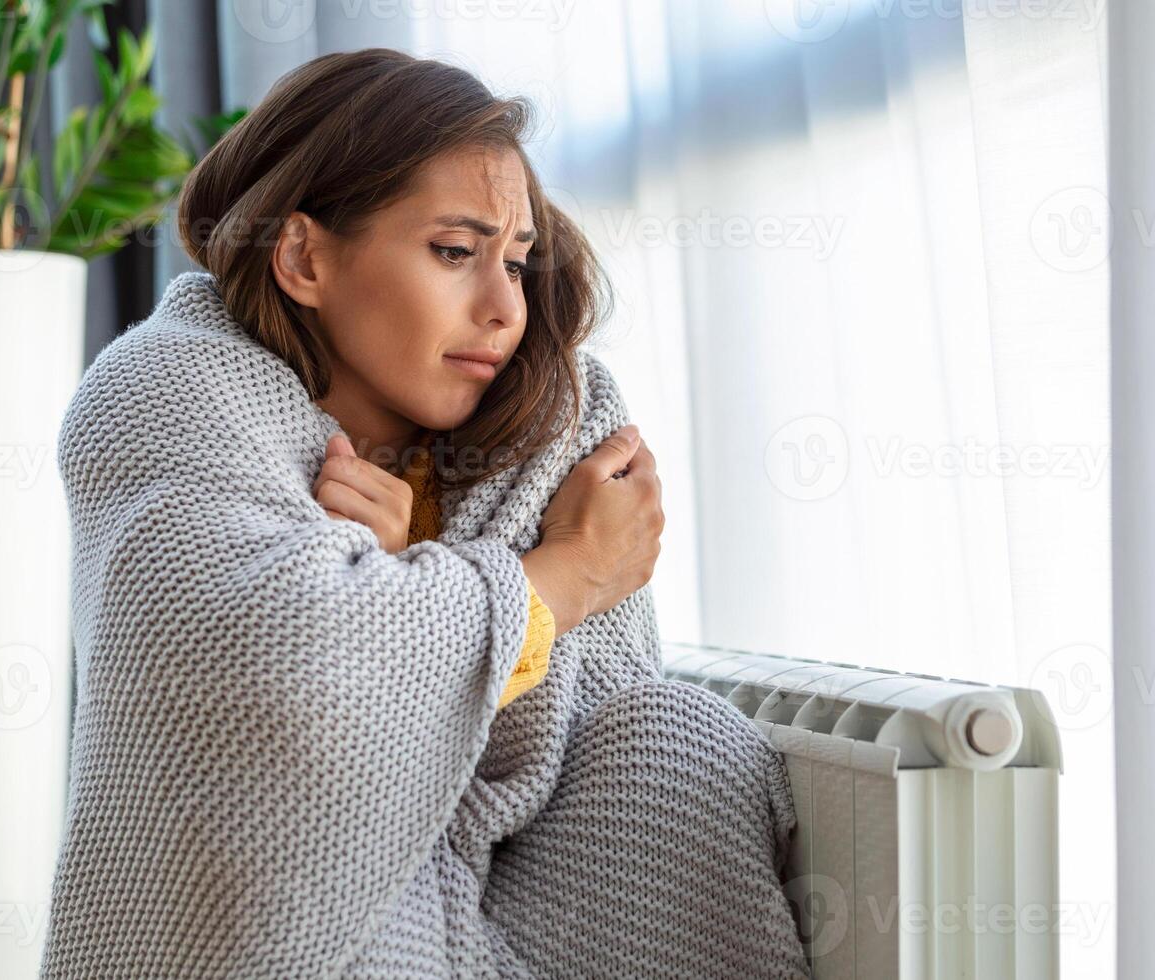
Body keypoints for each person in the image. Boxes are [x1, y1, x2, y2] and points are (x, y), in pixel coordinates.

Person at [40, 47, 809, 978]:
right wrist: (561, 577)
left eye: (517, 265)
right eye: (455, 253)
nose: (503, 309)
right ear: (304, 256)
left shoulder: (557, 431)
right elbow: (276, 673)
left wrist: (405, 596)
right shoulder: (165, 394)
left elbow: (594, 731)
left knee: (682, 737)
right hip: (289, 940)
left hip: (514, 928)